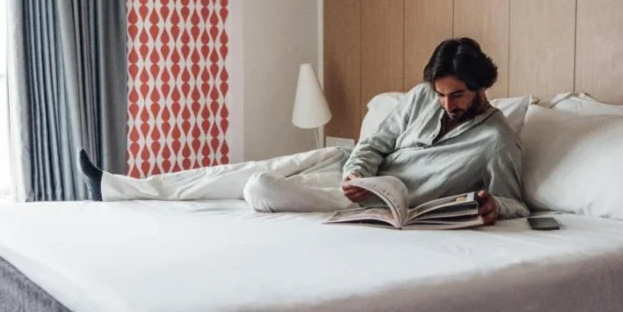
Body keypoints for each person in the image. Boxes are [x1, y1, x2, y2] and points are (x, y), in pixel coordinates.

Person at [77, 37, 529, 224]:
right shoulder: (419, 96)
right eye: (441, 95)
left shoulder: (497, 139)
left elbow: (515, 202)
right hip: (349, 174)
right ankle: (119, 187)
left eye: (457, 97)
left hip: (381, 201)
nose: (446, 104)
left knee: (258, 189)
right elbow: (374, 143)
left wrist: (493, 208)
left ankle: (125, 191)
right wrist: (355, 172)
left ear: (482, 87)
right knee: (243, 171)